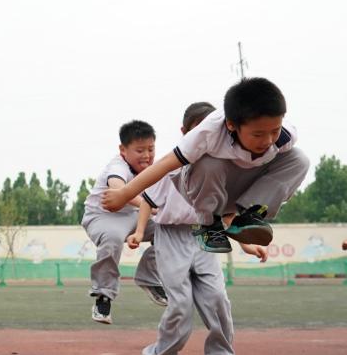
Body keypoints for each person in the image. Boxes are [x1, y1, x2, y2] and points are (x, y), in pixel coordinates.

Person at [128, 101, 268, 355]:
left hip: (205, 235)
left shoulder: (223, 171)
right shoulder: (171, 167)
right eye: (198, 132)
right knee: (180, 302)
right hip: (172, 236)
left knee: (217, 298)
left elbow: (227, 217)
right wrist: (139, 231)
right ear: (185, 133)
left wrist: (246, 244)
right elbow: (148, 200)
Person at [103, 77, 309, 253]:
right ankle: (210, 225)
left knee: (298, 159)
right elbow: (165, 164)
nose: (267, 140)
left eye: (274, 130)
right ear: (231, 124)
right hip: (200, 189)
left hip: (239, 190)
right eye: (257, 134)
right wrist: (124, 194)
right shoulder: (208, 133)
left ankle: (250, 214)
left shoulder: (284, 137)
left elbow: (286, 169)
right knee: (210, 163)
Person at [81, 120, 166, 324]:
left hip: (134, 214)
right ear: (123, 150)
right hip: (103, 216)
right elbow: (119, 190)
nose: (146, 155)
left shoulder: (154, 168)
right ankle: (104, 295)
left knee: (171, 230)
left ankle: (149, 277)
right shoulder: (117, 166)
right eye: (139, 150)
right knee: (113, 238)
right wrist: (151, 206)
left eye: (150, 149)